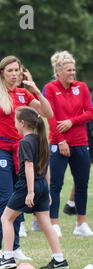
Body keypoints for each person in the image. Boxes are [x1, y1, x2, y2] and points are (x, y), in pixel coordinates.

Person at [0, 55, 53, 263]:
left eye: (16, 70)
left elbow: (48, 113)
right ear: (2, 73)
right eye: (9, 70)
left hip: (21, 151)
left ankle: (15, 247)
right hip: (0, 149)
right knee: (4, 196)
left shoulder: (24, 94)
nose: (14, 74)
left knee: (17, 197)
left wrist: (36, 90)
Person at [0, 107, 68, 269]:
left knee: (6, 218)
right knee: (46, 223)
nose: (14, 123)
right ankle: (59, 259)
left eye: (15, 121)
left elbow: (29, 165)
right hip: (42, 185)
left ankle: (8, 258)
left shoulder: (25, 142)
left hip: (27, 186)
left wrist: (31, 191)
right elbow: (46, 168)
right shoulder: (42, 140)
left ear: (22, 123)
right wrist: (46, 190)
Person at [45, 50, 93, 237]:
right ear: (58, 72)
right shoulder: (50, 88)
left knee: (82, 183)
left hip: (81, 142)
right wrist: (61, 140)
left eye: (74, 70)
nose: (73, 73)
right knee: (55, 184)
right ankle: (54, 223)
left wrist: (72, 121)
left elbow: (90, 112)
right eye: (69, 70)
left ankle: (81, 223)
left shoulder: (81, 87)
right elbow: (50, 116)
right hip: (58, 143)